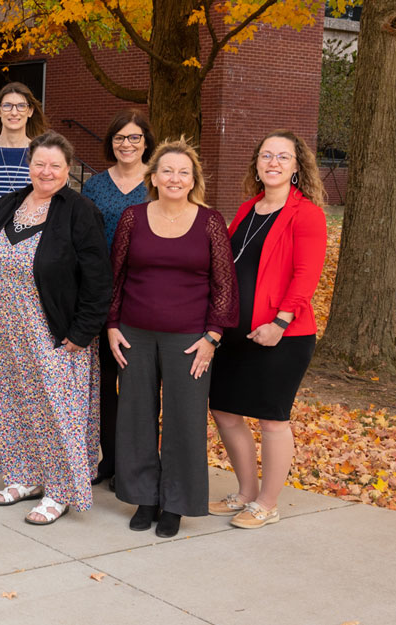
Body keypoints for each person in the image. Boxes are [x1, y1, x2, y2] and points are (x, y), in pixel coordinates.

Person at [106, 138, 237, 538]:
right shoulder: (133, 217)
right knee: (135, 417)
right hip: (134, 334)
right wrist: (112, 325)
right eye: (167, 171)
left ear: (193, 178)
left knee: (184, 419)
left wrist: (212, 336)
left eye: (183, 172)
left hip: (189, 339)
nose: (175, 178)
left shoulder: (209, 221)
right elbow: (117, 275)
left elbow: (224, 284)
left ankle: (176, 503)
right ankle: (145, 497)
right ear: (154, 177)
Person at [0, 131, 111, 524]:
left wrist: (82, 330)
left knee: (57, 410)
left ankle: (59, 490)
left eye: (55, 165)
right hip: (7, 328)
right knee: (14, 403)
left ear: (67, 169)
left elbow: (98, 277)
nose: (47, 171)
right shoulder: (10, 204)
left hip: (55, 331)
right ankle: (23, 477)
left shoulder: (78, 210)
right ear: (29, 164)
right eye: (40, 163)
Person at [208, 130, 327, 529]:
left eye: (282, 157)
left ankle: (268, 503)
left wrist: (280, 321)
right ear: (256, 164)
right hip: (235, 333)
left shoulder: (305, 212)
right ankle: (245, 492)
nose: (273, 162)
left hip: (282, 335)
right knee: (224, 410)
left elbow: (306, 274)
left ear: (297, 166)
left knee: (273, 418)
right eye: (266, 156)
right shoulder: (246, 209)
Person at [0, 81, 49, 469]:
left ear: (31, 110)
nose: (14, 112)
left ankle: (25, 432)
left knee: (31, 353)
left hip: (33, 264)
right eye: (7, 105)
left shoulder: (43, 154)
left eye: (21, 105)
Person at [79, 109, 154, 487]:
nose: (127, 144)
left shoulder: (158, 182)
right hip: (101, 293)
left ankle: (137, 463)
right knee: (105, 383)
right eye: (120, 138)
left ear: (146, 142)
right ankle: (108, 459)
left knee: (139, 383)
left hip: (143, 292)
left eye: (134, 138)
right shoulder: (94, 186)